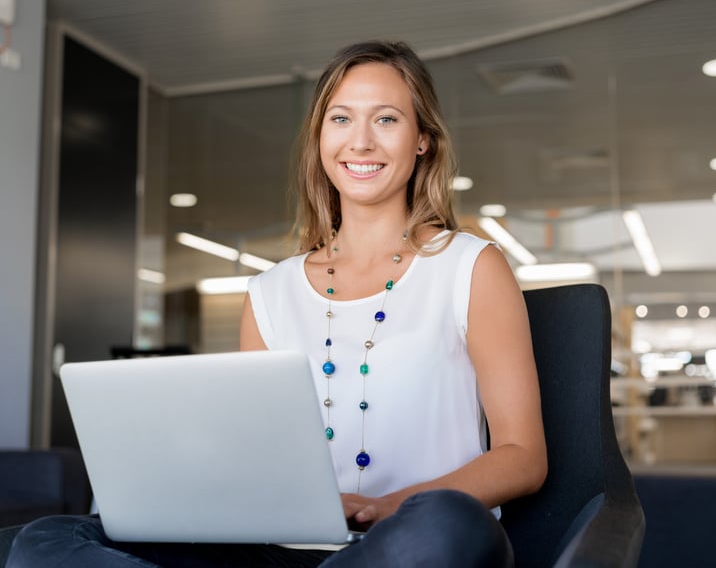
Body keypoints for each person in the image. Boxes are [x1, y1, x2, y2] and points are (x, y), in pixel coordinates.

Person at [8, 40, 547, 568]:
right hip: (281, 549)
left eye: (385, 119)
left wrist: (391, 507)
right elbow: (260, 461)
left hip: (410, 540)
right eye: (340, 120)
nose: (360, 142)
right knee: (44, 541)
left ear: (423, 140)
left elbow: (523, 456)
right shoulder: (270, 292)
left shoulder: (471, 265)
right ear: (318, 139)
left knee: (447, 527)